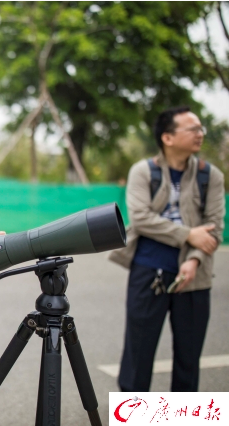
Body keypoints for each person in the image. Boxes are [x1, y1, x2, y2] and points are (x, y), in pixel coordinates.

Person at [109, 106, 225, 392]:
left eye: (201, 128)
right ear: (168, 137)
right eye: (193, 129)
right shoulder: (143, 171)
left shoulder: (211, 176)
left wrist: (195, 259)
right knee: (138, 355)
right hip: (148, 271)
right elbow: (141, 219)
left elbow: (214, 227)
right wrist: (188, 235)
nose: (200, 134)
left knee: (188, 359)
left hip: (195, 277)